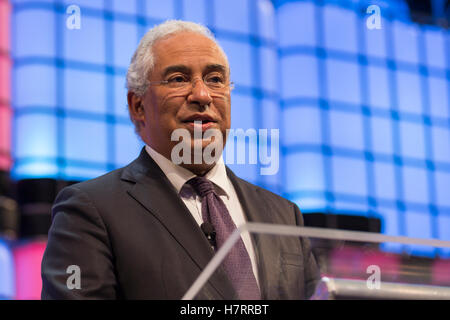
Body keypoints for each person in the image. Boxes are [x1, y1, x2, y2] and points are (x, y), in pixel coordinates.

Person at [41, 20, 319, 300]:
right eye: (178, 79)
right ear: (138, 106)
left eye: (215, 79)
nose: (202, 95)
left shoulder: (283, 215)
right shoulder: (91, 210)